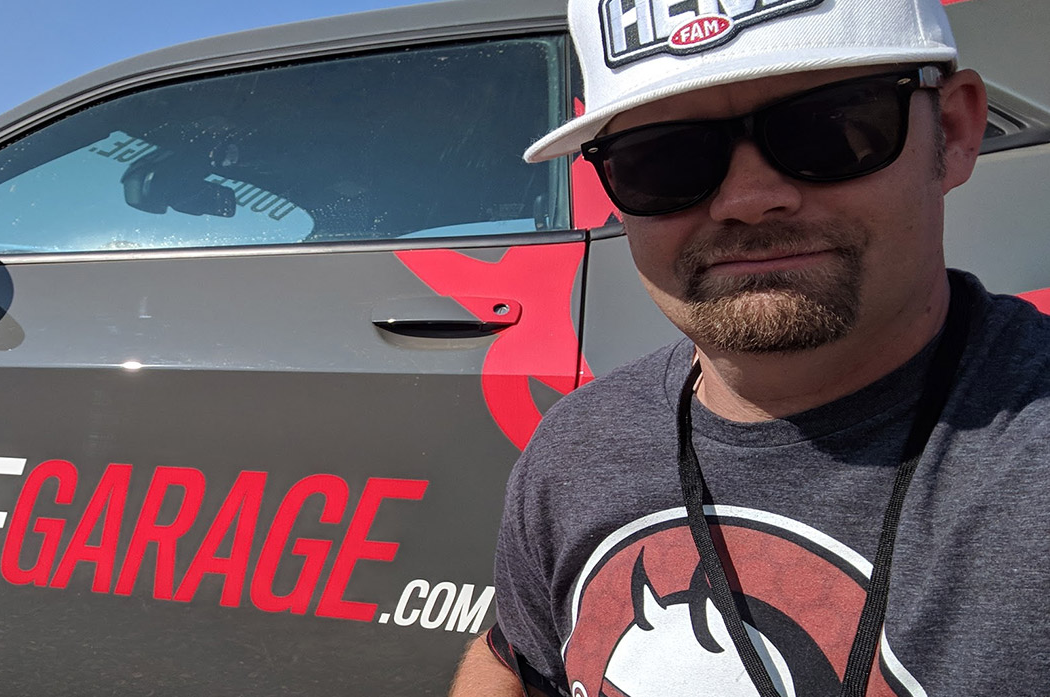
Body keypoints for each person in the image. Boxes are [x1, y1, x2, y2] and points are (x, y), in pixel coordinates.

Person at [450, 0, 1050, 695]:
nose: (748, 197)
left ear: (951, 131)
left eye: (828, 130)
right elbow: (514, 663)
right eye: (665, 159)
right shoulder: (575, 448)